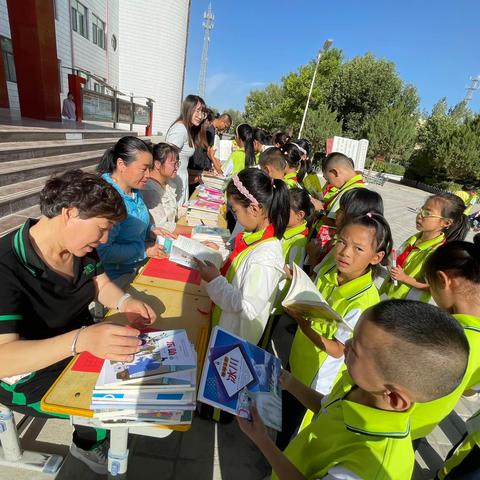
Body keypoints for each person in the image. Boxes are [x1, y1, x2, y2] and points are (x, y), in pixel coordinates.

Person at [0, 170, 156, 475]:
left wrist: (126, 302)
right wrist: (81, 340)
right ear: (70, 213)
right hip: (26, 375)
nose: (106, 238)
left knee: (132, 365)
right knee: (111, 397)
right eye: (102, 228)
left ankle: (92, 436)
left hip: (78, 343)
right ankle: (86, 444)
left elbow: (100, 284)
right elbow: (4, 359)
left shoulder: (82, 248)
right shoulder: (6, 265)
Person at [238, 300, 469, 480]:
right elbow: (325, 406)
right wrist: (288, 381)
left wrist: (262, 441)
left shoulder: (369, 466)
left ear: (394, 397)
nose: (345, 346)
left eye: (355, 348)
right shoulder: (361, 385)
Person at [277, 212, 392, 448]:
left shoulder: (363, 302)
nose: (345, 252)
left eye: (358, 249)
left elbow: (337, 350)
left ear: (376, 257)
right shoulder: (332, 271)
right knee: (283, 416)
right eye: (342, 242)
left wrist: (302, 323)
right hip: (298, 358)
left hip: (316, 379)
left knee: (294, 433)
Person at [197, 168, 289, 345]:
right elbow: (240, 271)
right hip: (224, 327)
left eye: (235, 211)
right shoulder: (256, 239)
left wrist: (215, 280)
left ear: (254, 209)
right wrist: (221, 256)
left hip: (232, 343)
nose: (235, 217)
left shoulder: (266, 257)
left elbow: (247, 307)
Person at [406, 235, 480, 440]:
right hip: (418, 430)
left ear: (443, 280)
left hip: (390, 424)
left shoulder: (438, 336)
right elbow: (470, 389)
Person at [96, 136, 167, 288]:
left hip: (137, 267)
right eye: (143, 169)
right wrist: (144, 251)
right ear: (121, 164)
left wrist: (151, 231)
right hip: (117, 279)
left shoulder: (133, 189)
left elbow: (134, 223)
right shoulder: (108, 199)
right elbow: (104, 252)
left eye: (150, 168)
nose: (148, 175)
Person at [380, 192, 469, 302]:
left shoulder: (439, 253)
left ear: (446, 222)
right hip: (386, 294)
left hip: (405, 307)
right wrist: (386, 260)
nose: (420, 215)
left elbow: (434, 288)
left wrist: (405, 278)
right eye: (421, 210)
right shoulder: (414, 238)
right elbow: (399, 261)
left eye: (427, 213)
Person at [306, 188, 384, 267]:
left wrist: (312, 255)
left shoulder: (343, 251)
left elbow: (318, 275)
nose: (336, 212)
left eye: (341, 210)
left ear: (354, 216)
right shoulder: (339, 239)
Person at [142, 142, 192, 236]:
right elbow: (162, 226)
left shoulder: (168, 184)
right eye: (174, 164)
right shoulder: (150, 190)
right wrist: (194, 230)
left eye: (178, 163)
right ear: (157, 164)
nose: (176, 168)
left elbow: (172, 213)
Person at [166, 94, 207, 206]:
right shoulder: (180, 129)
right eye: (197, 111)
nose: (200, 116)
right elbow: (165, 159)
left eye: (203, 113)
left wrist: (200, 174)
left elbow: (182, 163)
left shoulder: (186, 129)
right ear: (188, 108)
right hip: (174, 182)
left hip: (180, 180)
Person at [282, 188, 313, 270]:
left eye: (284, 211)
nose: (278, 213)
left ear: (300, 215)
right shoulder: (283, 229)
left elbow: (294, 273)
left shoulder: (299, 241)